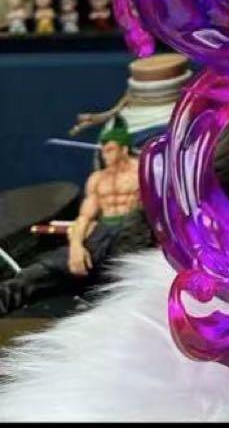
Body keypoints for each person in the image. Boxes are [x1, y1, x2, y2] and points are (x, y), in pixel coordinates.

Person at [0, 120, 153, 315]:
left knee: (120, 274)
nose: (105, 155)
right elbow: (84, 218)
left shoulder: (142, 172)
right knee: (39, 272)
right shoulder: (98, 179)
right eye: (103, 151)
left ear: (123, 149)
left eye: (110, 150)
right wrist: (76, 247)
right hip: (100, 234)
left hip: (133, 234)